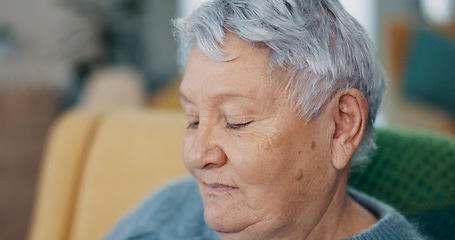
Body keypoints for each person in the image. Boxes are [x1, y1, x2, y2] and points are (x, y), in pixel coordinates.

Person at [105, 0, 425, 239]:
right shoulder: (170, 214)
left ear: (341, 126)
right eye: (193, 120)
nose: (196, 156)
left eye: (236, 121)